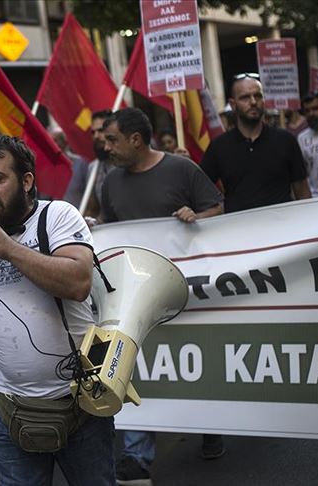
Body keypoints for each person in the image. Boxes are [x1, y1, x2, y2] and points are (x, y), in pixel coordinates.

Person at [0, 133, 114, 485]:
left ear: (26, 181)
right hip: (11, 411)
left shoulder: (58, 216)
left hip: (80, 404)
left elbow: (79, 283)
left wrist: (10, 249)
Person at [97, 109, 224, 486]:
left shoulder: (181, 170)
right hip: (133, 296)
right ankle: (136, 456)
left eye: (113, 140)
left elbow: (218, 210)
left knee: (189, 361)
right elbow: (111, 229)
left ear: (136, 139)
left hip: (182, 290)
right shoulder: (110, 182)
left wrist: (197, 215)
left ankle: (209, 423)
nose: (106, 147)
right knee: (132, 364)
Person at [201, 73, 311, 213]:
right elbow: (199, 191)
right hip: (239, 230)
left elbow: (303, 192)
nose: (253, 102)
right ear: (233, 104)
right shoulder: (219, 147)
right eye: (245, 97)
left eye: (258, 96)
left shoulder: (285, 140)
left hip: (283, 229)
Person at [81, 110, 114, 218]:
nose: (96, 136)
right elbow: (93, 210)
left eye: (100, 131)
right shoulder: (93, 168)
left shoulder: (126, 163)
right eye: (93, 132)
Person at [53, 128, 89, 208]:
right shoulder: (49, 168)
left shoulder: (81, 163)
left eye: (55, 140)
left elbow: (89, 194)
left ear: (65, 142)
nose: (52, 143)